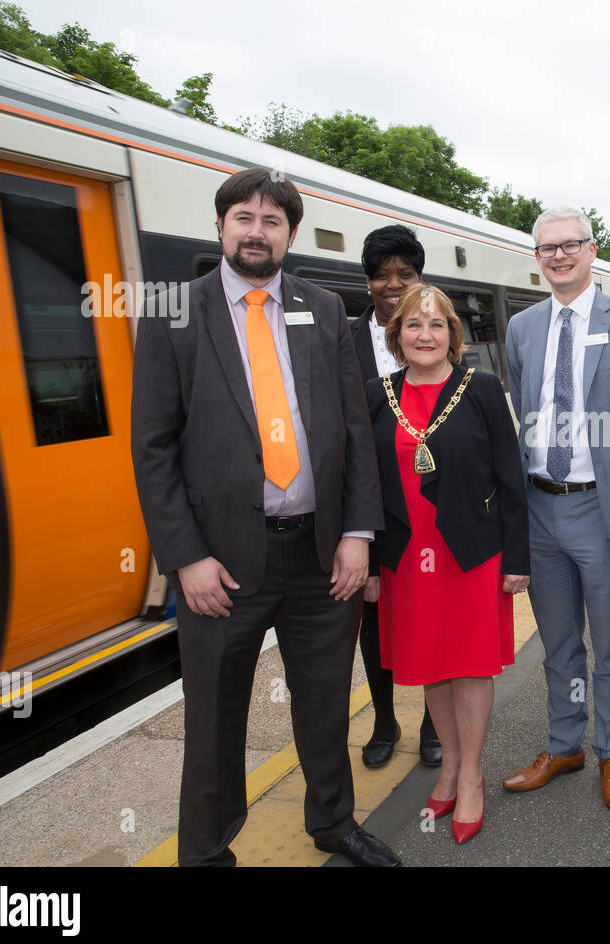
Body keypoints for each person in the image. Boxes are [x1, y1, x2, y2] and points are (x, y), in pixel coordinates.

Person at [131, 168, 399, 866]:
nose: (257, 231)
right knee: (214, 720)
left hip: (318, 556)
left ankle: (333, 824)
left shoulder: (324, 309)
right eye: (244, 218)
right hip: (220, 564)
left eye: (272, 221)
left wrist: (356, 534)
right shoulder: (174, 313)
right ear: (221, 226)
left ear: (290, 233)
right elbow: (152, 447)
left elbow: (353, 432)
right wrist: (185, 557)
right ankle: (206, 851)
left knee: (323, 704)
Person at [503, 206, 610, 812]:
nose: (559, 256)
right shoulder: (522, 328)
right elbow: (526, 409)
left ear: (591, 249)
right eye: (548, 248)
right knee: (558, 640)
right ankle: (564, 742)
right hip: (540, 509)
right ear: (538, 257)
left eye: (569, 245)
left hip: (602, 510)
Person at [364, 284, 529, 844]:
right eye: (414, 325)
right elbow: (362, 483)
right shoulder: (377, 393)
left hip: (471, 553)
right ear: (397, 334)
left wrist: (517, 556)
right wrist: (365, 559)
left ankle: (472, 775)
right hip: (405, 556)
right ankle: (451, 768)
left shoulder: (479, 389)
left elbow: (510, 476)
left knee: (470, 662)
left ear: (451, 334)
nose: (425, 335)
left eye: (436, 325)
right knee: (431, 663)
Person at [348, 224, 441, 770]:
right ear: (366, 282)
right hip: (366, 507)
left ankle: (435, 721)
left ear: (419, 279)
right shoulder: (342, 339)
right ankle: (385, 718)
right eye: (382, 275)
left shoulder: (432, 339)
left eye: (405, 274)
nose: (393, 283)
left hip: (427, 507)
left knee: (430, 614)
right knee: (373, 618)